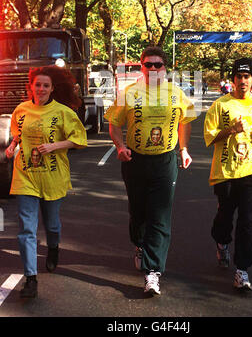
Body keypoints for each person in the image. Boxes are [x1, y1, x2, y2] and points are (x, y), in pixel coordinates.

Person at [105, 46, 196, 296]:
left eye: (158, 65)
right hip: (135, 160)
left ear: (165, 68)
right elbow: (114, 123)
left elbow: (185, 121)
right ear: (142, 67)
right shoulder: (129, 93)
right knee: (138, 212)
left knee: (160, 216)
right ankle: (139, 243)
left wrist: (184, 149)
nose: (153, 69)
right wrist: (120, 146)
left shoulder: (176, 94)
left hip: (165, 161)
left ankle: (153, 272)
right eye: (148, 65)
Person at [6, 65, 87, 299]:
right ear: (31, 86)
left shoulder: (63, 112)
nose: (41, 89)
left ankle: (53, 248)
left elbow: (79, 139)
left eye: (45, 85)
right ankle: (30, 279)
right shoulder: (21, 110)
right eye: (37, 84)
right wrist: (12, 147)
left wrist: (55, 146)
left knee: (52, 225)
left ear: (52, 89)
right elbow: (17, 136)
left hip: (52, 176)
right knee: (26, 228)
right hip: (25, 175)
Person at [204, 57, 252, 291]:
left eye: (247, 77)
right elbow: (210, 138)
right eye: (239, 77)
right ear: (233, 80)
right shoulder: (220, 105)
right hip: (226, 171)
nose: (243, 81)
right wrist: (231, 129)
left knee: (249, 222)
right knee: (225, 217)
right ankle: (222, 242)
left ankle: (242, 270)